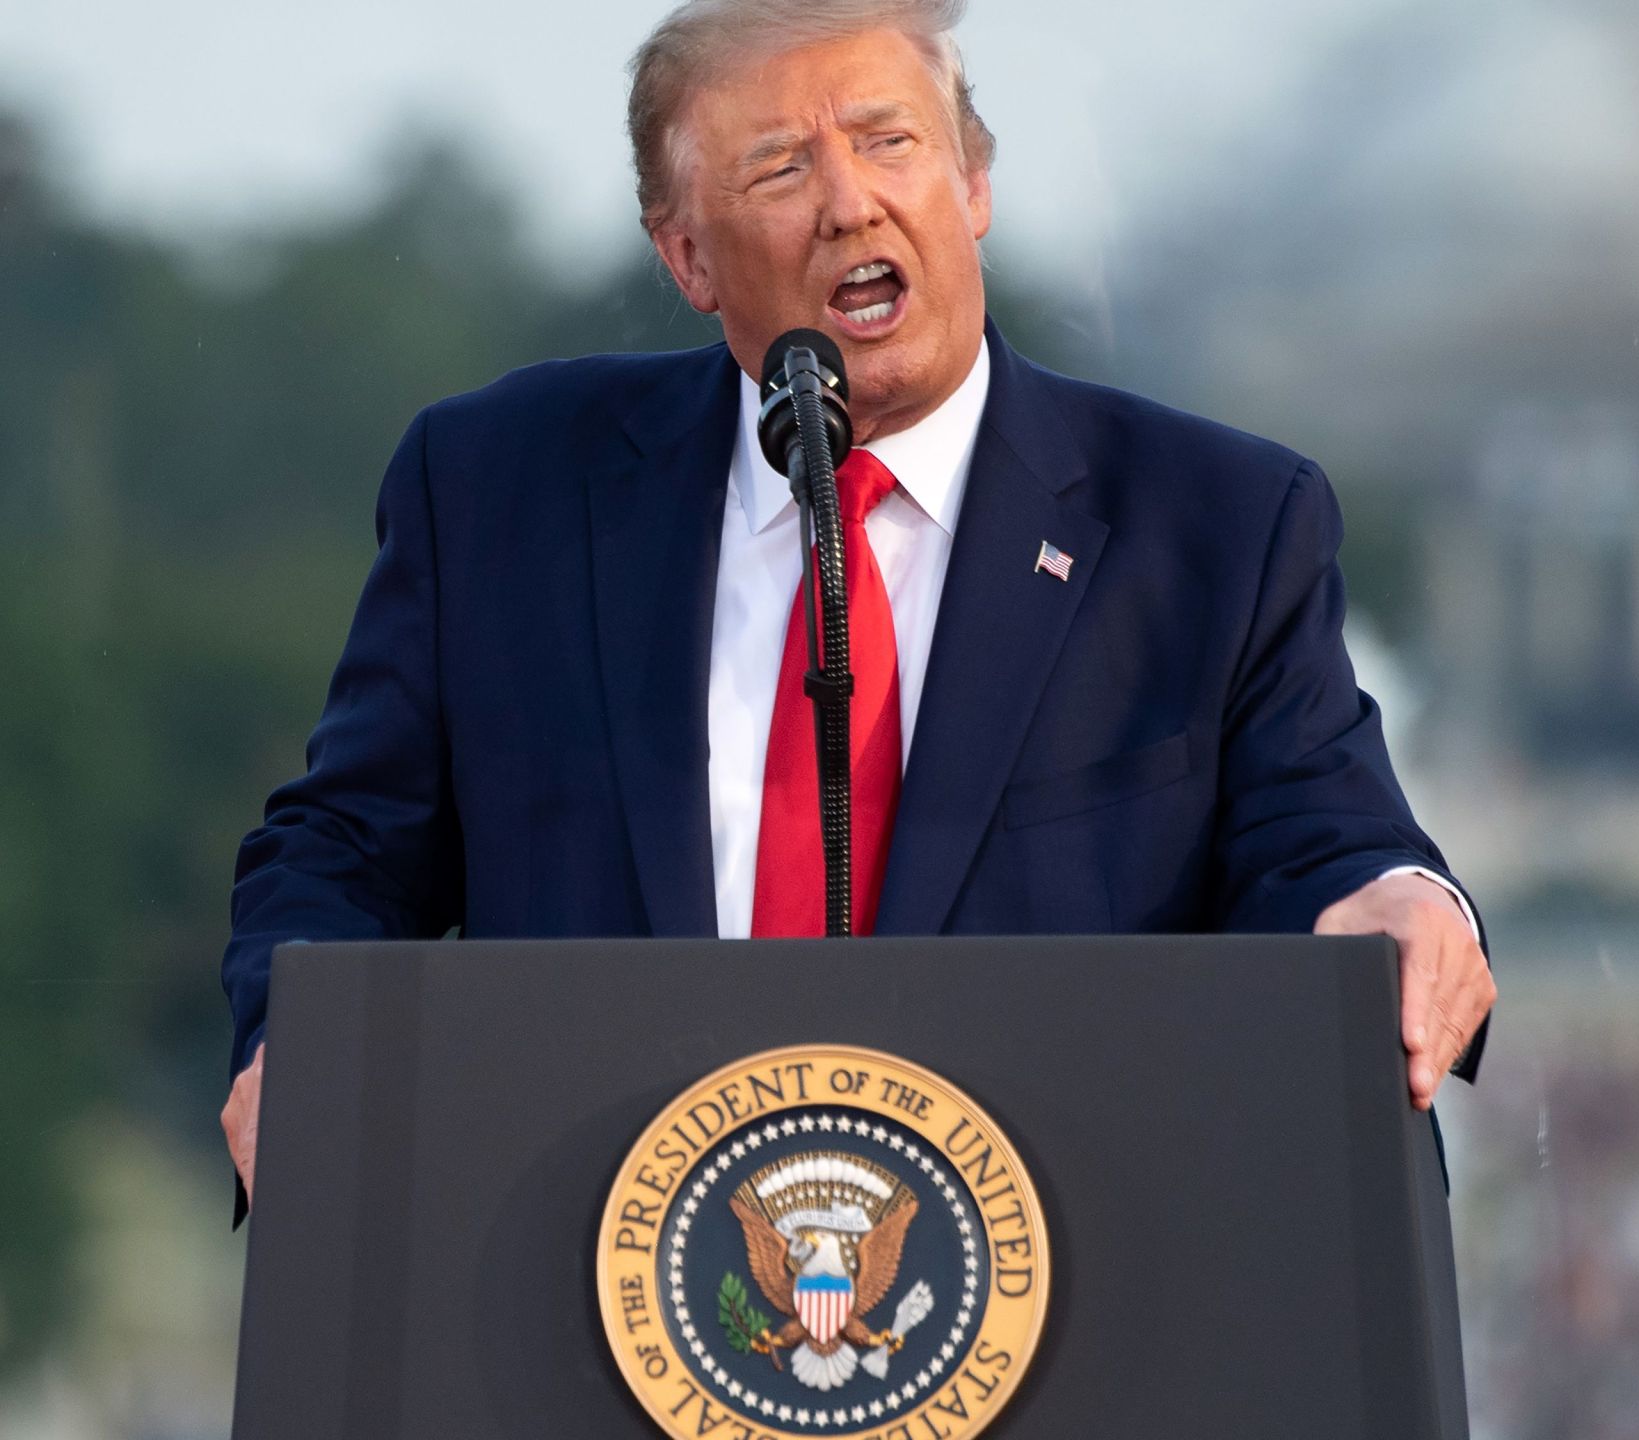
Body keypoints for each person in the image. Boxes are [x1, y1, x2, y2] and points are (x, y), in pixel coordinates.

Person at [217, 0, 1492, 1199]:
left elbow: (1321, 841)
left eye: (888, 142)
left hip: (1062, 1301)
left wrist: (1395, 899)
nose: (848, 202)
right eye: (779, 168)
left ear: (973, 183)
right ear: (687, 256)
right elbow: (343, 850)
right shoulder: (502, 492)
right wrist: (303, 1037)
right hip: (595, 1286)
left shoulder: (1214, 525)